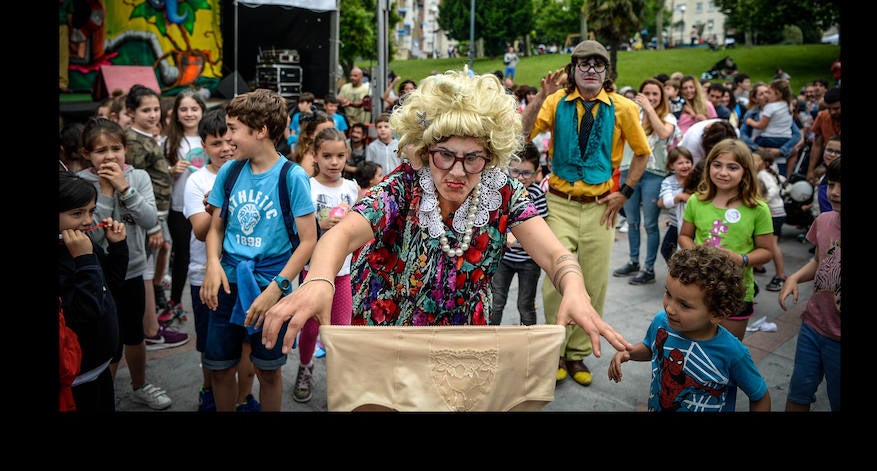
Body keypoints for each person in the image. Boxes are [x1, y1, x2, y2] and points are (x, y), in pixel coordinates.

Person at [261, 71, 630, 402]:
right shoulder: (404, 186)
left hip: (462, 337)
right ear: (425, 151)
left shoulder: (502, 192)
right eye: (445, 155)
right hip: (388, 329)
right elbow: (341, 235)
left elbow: (554, 255)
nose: (457, 171)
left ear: (491, 155)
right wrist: (321, 279)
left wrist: (575, 287)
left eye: (473, 158)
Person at [520, 40, 650, 386]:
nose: (591, 69)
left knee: (593, 282)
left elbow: (642, 153)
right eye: (583, 63)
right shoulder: (556, 101)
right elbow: (521, 135)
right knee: (556, 281)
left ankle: (577, 354)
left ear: (607, 72)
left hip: (600, 208)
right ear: (573, 70)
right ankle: (556, 351)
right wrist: (539, 96)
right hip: (559, 203)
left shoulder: (623, 108)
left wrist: (625, 192)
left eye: (598, 64)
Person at [200, 89, 318, 412]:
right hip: (227, 282)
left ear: (261, 130)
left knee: (268, 371)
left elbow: (309, 240)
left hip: (270, 286)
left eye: (234, 129)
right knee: (221, 367)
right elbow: (216, 227)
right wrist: (213, 263)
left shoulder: (292, 177)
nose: (228, 138)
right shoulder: (230, 171)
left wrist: (276, 289)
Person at [77, 118, 182, 410]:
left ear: (125, 149)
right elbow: (94, 239)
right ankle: (103, 394)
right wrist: (107, 194)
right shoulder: (80, 184)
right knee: (106, 340)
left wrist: (124, 188)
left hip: (133, 268)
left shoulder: (137, 178)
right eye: (100, 151)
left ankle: (139, 384)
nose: (109, 156)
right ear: (87, 155)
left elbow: (150, 220)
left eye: (116, 148)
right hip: (95, 274)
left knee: (133, 333)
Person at [607, 245, 771, 412]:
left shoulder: (733, 352)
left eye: (684, 305)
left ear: (717, 313)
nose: (670, 308)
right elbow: (652, 348)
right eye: (668, 294)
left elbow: (760, 396)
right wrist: (629, 353)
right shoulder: (661, 322)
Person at [183, 108, 261, 412]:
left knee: (244, 345)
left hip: (244, 277)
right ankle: (209, 391)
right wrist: (218, 204)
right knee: (211, 348)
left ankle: (243, 397)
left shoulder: (249, 172)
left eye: (229, 141)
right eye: (216, 144)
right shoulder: (197, 181)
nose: (225, 149)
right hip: (206, 275)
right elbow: (203, 232)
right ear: (203, 145)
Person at [678, 139, 776, 342]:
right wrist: (697, 251)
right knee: (692, 345)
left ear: (746, 172)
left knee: (726, 349)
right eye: (717, 165)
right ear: (708, 167)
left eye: (732, 167)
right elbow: (684, 236)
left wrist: (740, 259)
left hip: (736, 291)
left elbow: (767, 251)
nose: (723, 173)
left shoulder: (758, 209)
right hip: (697, 287)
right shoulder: (697, 201)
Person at [293, 127, 359, 403]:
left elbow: (361, 229)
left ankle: (340, 376)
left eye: (340, 156)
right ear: (315, 156)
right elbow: (295, 230)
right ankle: (305, 367)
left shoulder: (352, 188)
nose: (334, 162)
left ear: (347, 156)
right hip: (312, 272)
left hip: (343, 273)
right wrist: (319, 226)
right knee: (310, 328)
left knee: (340, 328)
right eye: (327, 156)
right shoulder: (306, 186)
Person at [58, 171, 127, 412]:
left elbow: (111, 285)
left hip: (100, 367)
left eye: (91, 210)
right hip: (75, 377)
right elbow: (83, 315)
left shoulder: (84, 246)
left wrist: (117, 247)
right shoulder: (78, 253)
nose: (88, 220)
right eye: (77, 213)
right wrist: (84, 261)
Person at [779, 156, 840, 412]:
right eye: (831, 184)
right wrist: (794, 277)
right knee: (798, 393)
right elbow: (819, 261)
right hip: (813, 326)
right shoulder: (824, 221)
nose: (835, 193)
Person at [123, 84, 181, 347]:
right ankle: (150, 328)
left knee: (159, 256)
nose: (153, 114)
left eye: (156, 108)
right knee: (147, 268)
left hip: (158, 211)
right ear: (131, 112)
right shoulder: (132, 141)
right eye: (146, 110)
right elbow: (133, 181)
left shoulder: (148, 136)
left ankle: (151, 319)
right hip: (149, 214)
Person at [613, 78, 678, 285]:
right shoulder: (632, 112)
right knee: (632, 221)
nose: (650, 98)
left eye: (655, 94)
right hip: (628, 170)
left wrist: (649, 110)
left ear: (662, 97)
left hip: (653, 173)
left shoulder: (668, 117)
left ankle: (648, 268)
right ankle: (633, 262)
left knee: (650, 224)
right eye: (646, 94)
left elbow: (663, 133)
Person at [161, 88, 208, 326]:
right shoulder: (168, 141)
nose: (189, 113)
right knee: (182, 255)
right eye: (184, 109)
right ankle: (175, 302)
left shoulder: (210, 135)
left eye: (194, 108)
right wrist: (171, 170)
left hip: (208, 206)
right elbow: (158, 178)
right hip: (179, 206)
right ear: (176, 113)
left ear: (202, 111)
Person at [490, 141, 546, 326]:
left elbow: (541, 230)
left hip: (529, 261)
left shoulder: (537, 195)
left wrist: (519, 236)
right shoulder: (502, 191)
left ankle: (529, 344)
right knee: (496, 302)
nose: (521, 178)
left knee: (526, 304)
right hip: (503, 259)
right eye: (515, 172)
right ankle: (488, 340)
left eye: (526, 173)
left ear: (537, 172)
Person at [753, 150, 789, 292]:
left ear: (761, 163)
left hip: (774, 213)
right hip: (777, 212)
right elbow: (782, 180)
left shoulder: (762, 174)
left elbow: (773, 188)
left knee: (772, 245)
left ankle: (780, 275)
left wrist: (763, 201)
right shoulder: (767, 173)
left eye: (754, 160)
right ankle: (759, 266)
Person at [657, 146, 697, 266]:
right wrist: (679, 197)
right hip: (675, 224)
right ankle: (678, 272)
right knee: (666, 250)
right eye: (680, 163)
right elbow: (666, 202)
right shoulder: (669, 181)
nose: (685, 166)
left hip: (695, 224)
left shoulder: (697, 178)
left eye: (688, 162)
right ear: (671, 165)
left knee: (692, 251)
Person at [805, 87, 841, 186]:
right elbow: (817, 145)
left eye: (836, 108)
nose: (832, 112)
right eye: (829, 109)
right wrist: (811, 170)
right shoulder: (823, 116)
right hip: (828, 160)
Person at [366, 111, 400, 175]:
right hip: (380, 182)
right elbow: (369, 167)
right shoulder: (372, 147)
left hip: (397, 181)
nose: (382, 129)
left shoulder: (399, 145)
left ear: (392, 128)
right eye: (379, 127)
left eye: (386, 126)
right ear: (376, 129)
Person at [59, 0, 75, 93]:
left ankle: (62, 84)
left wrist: (70, 29)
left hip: (62, 26)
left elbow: (70, 14)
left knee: (63, 55)